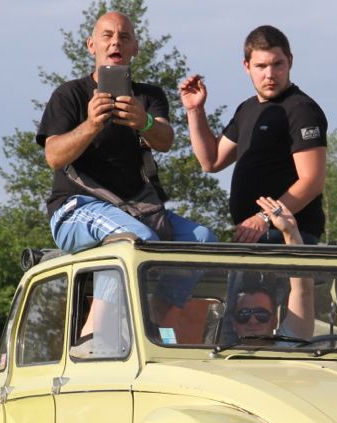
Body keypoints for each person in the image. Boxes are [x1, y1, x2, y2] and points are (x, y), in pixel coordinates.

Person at [37, 11, 216, 251]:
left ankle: (166, 281)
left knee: (205, 240)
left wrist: (144, 122)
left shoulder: (150, 96)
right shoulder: (68, 94)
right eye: (107, 36)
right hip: (76, 207)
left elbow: (165, 141)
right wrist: (91, 124)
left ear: (135, 48)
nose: (115, 42)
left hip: (136, 208)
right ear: (91, 45)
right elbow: (53, 156)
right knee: (140, 241)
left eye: (124, 37)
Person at [179, 25, 327, 245]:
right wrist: (195, 110)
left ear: (290, 61)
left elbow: (312, 181)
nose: (270, 74)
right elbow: (211, 161)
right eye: (261, 66)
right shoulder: (247, 109)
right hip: (252, 236)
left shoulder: (301, 110)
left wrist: (265, 217)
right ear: (247, 66)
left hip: (289, 238)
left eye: (277, 64)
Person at [230, 196, 314, 344]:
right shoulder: (215, 355)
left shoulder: (287, 347)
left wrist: (290, 232)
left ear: (274, 321)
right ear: (233, 323)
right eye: (243, 315)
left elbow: (303, 291)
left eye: (261, 314)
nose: (253, 321)